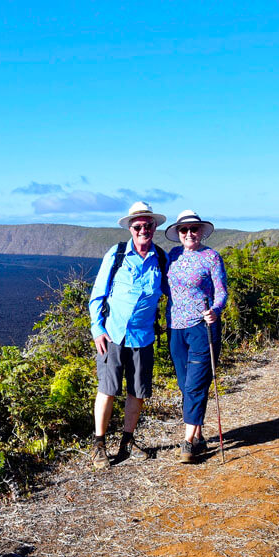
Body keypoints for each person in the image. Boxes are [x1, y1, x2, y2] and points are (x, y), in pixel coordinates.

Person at [88, 201, 167, 469]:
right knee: (107, 389)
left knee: (137, 391)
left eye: (148, 225)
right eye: (138, 226)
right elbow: (98, 294)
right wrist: (97, 329)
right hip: (113, 335)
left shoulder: (162, 258)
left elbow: (174, 290)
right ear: (131, 229)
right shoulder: (117, 254)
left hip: (143, 337)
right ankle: (99, 445)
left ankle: (127, 441)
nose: (143, 230)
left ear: (155, 227)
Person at [164, 210, 228, 463]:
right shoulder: (173, 256)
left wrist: (215, 310)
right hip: (176, 329)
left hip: (203, 328)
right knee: (184, 384)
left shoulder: (211, 257)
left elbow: (221, 290)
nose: (189, 234)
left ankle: (188, 442)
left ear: (201, 231)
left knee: (195, 385)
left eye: (194, 229)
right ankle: (199, 436)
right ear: (178, 234)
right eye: (184, 230)